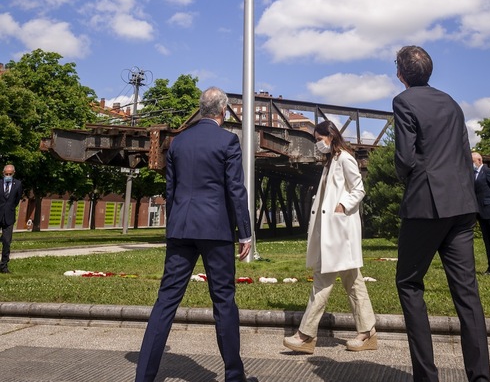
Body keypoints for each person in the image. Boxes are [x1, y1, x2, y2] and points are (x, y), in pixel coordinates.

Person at [135, 87, 257, 382]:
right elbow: (235, 190)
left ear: (202, 110)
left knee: (166, 300)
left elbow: (171, 190)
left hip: (181, 228)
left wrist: (173, 226)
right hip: (216, 231)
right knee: (224, 301)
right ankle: (234, 376)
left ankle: (143, 377)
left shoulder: (178, 143)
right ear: (223, 111)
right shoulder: (228, 141)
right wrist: (245, 233)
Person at [393, 46, 490, 382]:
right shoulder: (452, 103)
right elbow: (464, 152)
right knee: (467, 293)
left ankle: (427, 376)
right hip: (462, 205)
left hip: (426, 205)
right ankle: (480, 378)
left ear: (400, 73)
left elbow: (405, 159)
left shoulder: (403, 102)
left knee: (408, 283)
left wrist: (410, 177)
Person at [283, 120, 377, 354]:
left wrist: (342, 206)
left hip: (339, 232)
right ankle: (367, 333)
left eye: (319, 138)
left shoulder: (344, 158)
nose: (317, 144)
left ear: (331, 136)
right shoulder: (331, 161)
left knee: (322, 281)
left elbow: (359, 188)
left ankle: (306, 336)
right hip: (333, 233)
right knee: (353, 282)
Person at [0, 163, 23, 273]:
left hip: (9, 217)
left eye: (10, 174)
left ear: (13, 174)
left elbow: (17, 199)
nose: (8, 175)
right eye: (6, 174)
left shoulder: (18, 184)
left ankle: (3, 265)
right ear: (3, 173)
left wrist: (10, 209)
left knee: (6, 241)